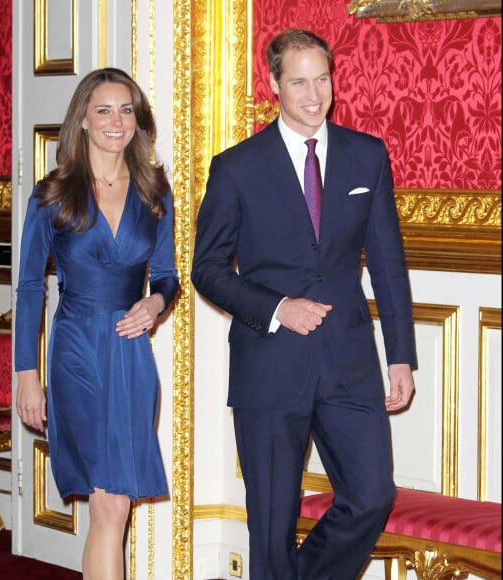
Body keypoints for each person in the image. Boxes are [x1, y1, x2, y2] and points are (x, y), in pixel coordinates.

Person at [191, 28, 417, 579]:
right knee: (270, 527)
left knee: (370, 496)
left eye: (323, 79)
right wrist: (276, 308)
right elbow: (207, 270)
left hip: (349, 362)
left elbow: (387, 263)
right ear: (274, 84)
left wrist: (401, 355)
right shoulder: (236, 167)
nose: (315, 95)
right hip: (269, 363)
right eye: (299, 82)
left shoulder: (367, 156)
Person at [15, 68, 179, 580]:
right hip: (77, 351)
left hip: (131, 358)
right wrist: (26, 375)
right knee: (109, 504)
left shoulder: (155, 190)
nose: (117, 121)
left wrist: (154, 306)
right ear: (82, 119)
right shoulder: (52, 193)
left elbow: (170, 275)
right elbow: (28, 288)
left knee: (115, 506)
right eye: (104, 109)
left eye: (126, 109)